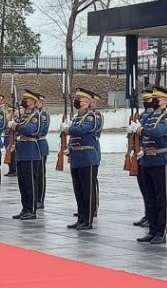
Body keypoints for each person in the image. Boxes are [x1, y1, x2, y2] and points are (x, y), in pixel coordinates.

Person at [130, 86, 167, 244]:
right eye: (153, 98)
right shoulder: (148, 116)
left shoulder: (166, 117)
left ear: (164, 101)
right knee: (149, 198)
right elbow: (142, 132)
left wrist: (140, 130)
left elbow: (156, 132)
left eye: (158, 99)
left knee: (161, 198)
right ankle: (152, 229)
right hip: (146, 160)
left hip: (160, 160)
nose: (154, 101)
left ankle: (161, 232)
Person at [61, 88, 99, 230]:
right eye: (78, 98)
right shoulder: (76, 117)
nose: (78, 100)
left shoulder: (91, 117)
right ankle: (81, 218)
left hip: (87, 157)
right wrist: (69, 148)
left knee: (87, 191)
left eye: (81, 99)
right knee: (78, 190)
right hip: (77, 157)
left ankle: (88, 220)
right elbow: (75, 137)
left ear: (88, 102)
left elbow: (81, 130)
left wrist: (68, 129)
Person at [9, 90, 42, 220]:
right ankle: (25, 208)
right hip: (21, 151)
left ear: (33, 103)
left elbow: (28, 130)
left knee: (30, 183)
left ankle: (32, 210)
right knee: (22, 183)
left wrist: (16, 126)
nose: (25, 102)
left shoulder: (35, 116)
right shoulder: (22, 116)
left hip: (30, 151)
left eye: (27, 100)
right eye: (25, 99)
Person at [132, 89, 154, 228]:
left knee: (151, 190)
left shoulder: (154, 116)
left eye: (148, 100)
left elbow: (149, 133)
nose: (145, 102)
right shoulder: (142, 115)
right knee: (144, 188)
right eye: (144, 100)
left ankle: (151, 216)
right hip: (141, 155)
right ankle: (147, 214)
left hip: (150, 154)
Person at [35, 93, 49, 209]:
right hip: (33, 146)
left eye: (38, 102)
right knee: (33, 174)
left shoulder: (43, 114)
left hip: (40, 144)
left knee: (40, 174)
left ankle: (40, 199)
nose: (36, 103)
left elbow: (42, 129)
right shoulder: (33, 114)